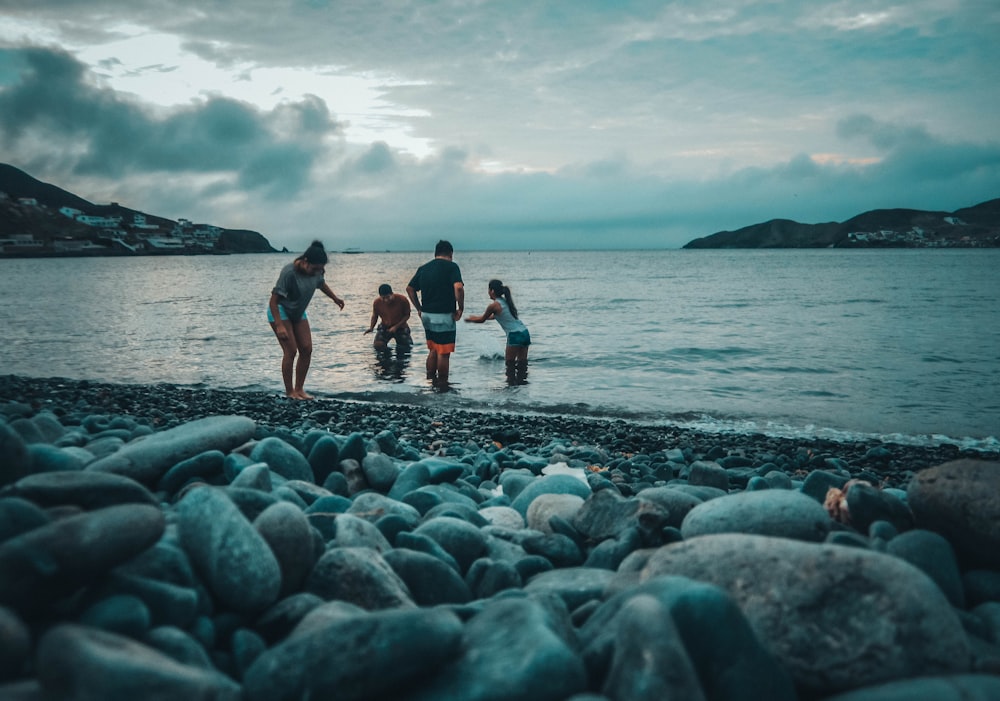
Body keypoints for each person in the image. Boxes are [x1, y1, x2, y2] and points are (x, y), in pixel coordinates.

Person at [267, 240, 344, 399]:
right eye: (315, 268)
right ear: (305, 262)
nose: (318, 271)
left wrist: (335, 298)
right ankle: (290, 392)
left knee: (307, 349)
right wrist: (279, 325)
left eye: (321, 268)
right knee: (291, 351)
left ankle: (300, 389)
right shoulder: (289, 273)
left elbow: (321, 284)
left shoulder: (318, 272)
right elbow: (273, 302)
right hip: (280, 311)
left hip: (298, 312)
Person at [406, 240, 464, 387]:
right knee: (443, 352)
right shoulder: (452, 267)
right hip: (444, 314)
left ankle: (431, 381)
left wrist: (419, 308)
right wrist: (460, 308)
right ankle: (443, 385)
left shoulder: (424, 268)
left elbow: (410, 289)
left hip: (426, 314)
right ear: (451, 253)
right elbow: (458, 287)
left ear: (435, 253)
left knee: (433, 349)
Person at [465, 279, 531, 384]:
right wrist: (475, 318)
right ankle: (521, 390)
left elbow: (482, 319)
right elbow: (494, 316)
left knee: (510, 365)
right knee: (522, 364)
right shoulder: (506, 301)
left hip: (514, 335)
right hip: (525, 332)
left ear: (492, 291)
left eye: (488, 290)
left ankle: (511, 390)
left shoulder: (493, 305)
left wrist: (468, 319)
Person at [364, 283, 412, 354]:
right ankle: (387, 358)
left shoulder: (402, 300)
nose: (386, 300)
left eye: (388, 297)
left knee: (405, 348)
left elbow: (407, 315)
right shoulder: (377, 302)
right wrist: (371, 327)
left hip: (401, 326)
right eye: (383, 298)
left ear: (392, 294)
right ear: (380, 297)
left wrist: (396, 327)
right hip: (385, 326)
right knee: (378, 345)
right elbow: (375, 315)